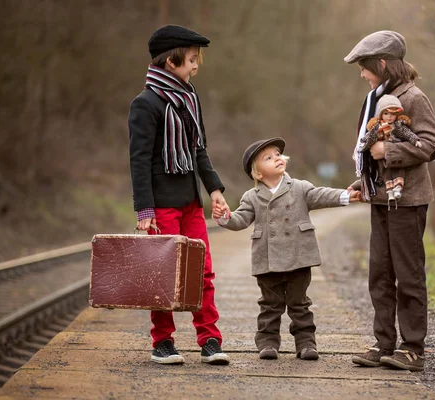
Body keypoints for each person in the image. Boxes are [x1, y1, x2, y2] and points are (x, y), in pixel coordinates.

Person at [128, 24, 231, 365]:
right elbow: (139, 160)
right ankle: (163, 342)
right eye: (191, 59)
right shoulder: (145, 104)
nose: (196, 65)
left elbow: (199, 149)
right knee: (163, 274)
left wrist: (214, 190)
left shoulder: (190, 97)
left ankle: (210, 339)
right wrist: (145, 211)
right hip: (160, 206)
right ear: (170, 62)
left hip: (190, 202)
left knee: (202, 271)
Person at [344, 31, 435, 371]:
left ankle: (412, 347)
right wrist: (365, 180)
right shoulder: (376, 99)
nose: (362, 74)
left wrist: (391, 151)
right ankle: (384, 344)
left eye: (365, 67)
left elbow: (432, 143)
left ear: (383, 64)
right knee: (380, 274)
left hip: (409, 200)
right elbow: (372, 148)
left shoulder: (412, 97)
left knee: (408, 274)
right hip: (380, 200)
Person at [212, 137, 361, 361]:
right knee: (270, 305)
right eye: (268, 158)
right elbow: (241, 219)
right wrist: (225, 217)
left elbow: (320, 195)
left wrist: (346, 196)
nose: (277, 158)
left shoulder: (300, 188)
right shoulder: (251, 197)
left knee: (299, 303)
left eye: (278, 155)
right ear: (258, 173)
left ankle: (306, 343)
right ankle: (268, 342)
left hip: (298, 255)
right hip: (267, 259)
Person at [360, 94, 421, 207]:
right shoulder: (378, 127)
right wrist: (363, 143)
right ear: (381, 114)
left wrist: (415, 140)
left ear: (397, 115)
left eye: (393, 114)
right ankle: (390, 191)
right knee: (385, 171)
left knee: (399, 170)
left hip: (396, 151)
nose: (389, 117)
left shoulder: (398, 126)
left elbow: (407, 134)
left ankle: (398, 188)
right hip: (382, 158)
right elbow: (369, 136)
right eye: (386, 113)